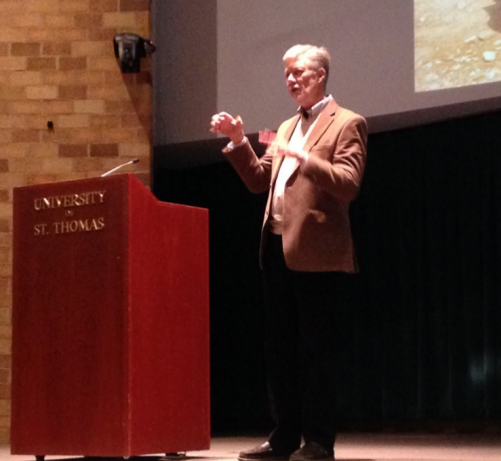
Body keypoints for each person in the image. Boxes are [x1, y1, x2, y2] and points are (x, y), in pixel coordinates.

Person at [210, 44, 367, 461]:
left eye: (297, 72)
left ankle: (318, 442)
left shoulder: (348, 123)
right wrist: (238, 140)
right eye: (286, 74)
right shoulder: (284, 127)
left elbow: (348, 183)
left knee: (317, 350)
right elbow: (261, 181)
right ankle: (283, 438)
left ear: (320, 74)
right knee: (279, 350)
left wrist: (304, 157)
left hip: (318, 252)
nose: (290, 80)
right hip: (277, 249)